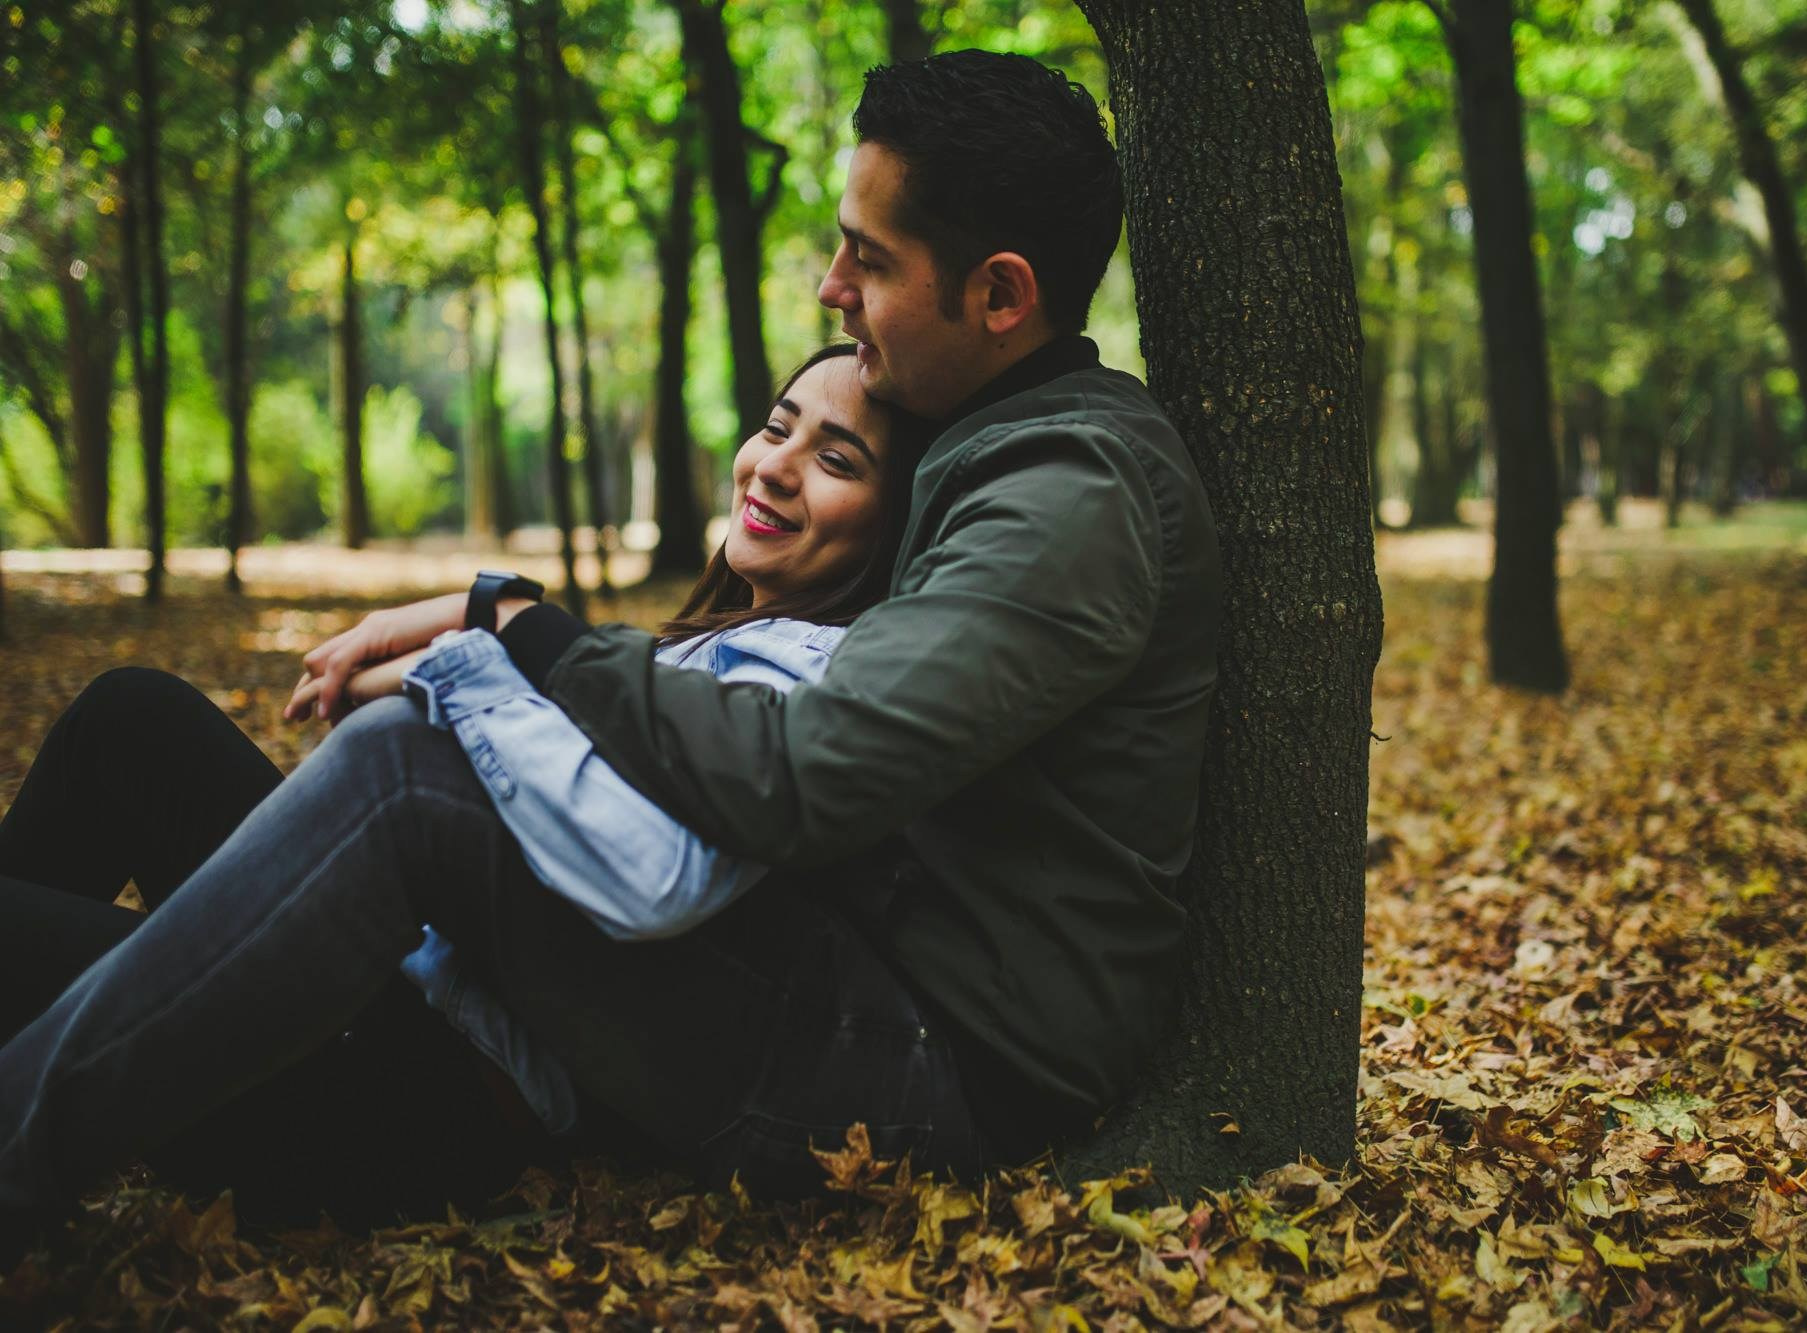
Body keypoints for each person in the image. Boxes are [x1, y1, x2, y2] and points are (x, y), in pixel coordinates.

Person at [0, 48, 1221, 1257]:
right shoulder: (994, 446)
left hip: (918, 1052)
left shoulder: (1066, 493)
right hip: (829, 968)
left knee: (405, 777)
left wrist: (521, 633)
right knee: (134, 721)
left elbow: (801, 773)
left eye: (872, 256)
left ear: (1000, 295)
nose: (828, 284)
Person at [0, 347, 925, 1235]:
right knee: (130, 718)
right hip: (386, 961)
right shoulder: (695, 651)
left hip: (410, 1080)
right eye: (777, 426)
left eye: (836, 458)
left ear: (892, 525)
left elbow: (646, 862)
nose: (775, 467)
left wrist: (465, 652)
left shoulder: (809, 681)